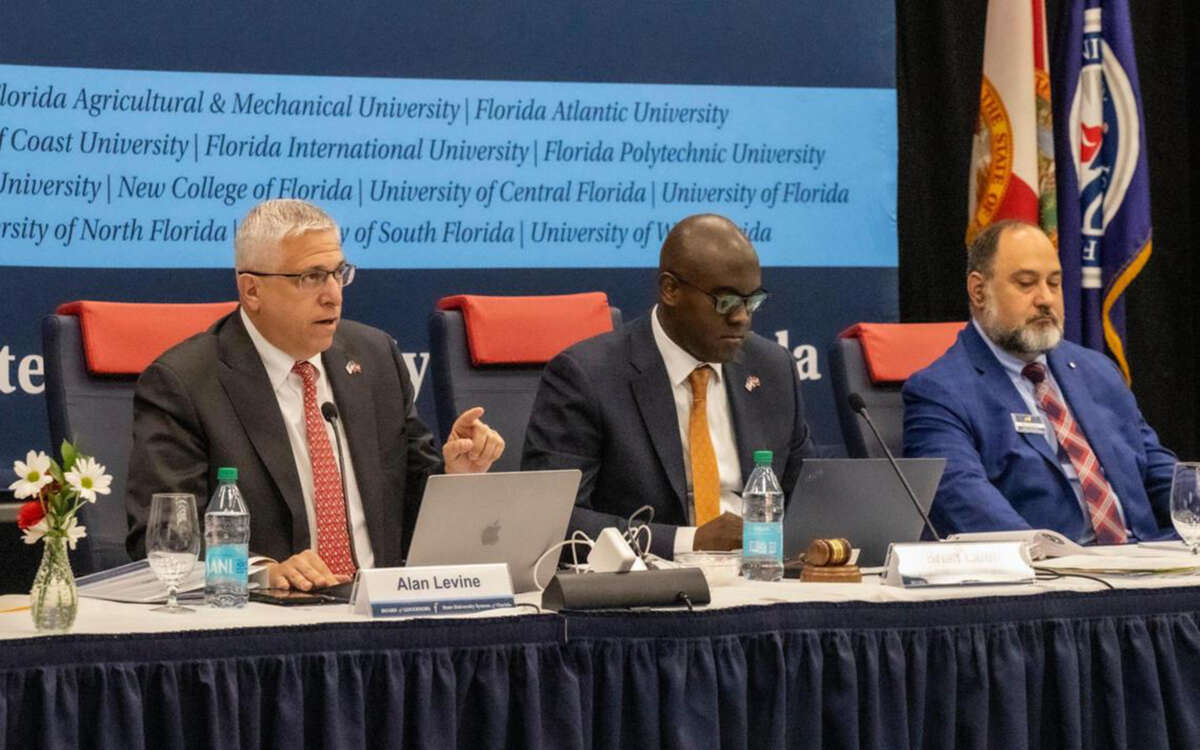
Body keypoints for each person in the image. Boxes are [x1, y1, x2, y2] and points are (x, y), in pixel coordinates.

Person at [126, 199, 504, 589]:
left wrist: (455, 478)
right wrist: (259, 572)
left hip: (385, 615)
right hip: (268, 624)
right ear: (252, 291)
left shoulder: (374, 358)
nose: (333, 295)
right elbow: (162, 540)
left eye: (338, 273)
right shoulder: (185, 383)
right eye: (310, 277)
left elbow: (410, 503)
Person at [521, 213, 815, 559]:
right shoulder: (588, 376)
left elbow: (809, 497)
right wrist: (688, 542)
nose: (742, 318)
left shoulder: (773, 368)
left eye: (752, 301)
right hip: (648, 587)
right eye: (726, 302)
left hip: (761, 575)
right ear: (670, 290)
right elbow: (554, 521)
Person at [903, 219, 1176, 542]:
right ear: (979, 291)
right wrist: (1058, 560)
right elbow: (968, 506)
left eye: (1055, 283)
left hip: (1148, 564)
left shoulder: (1098, 372)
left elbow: (1161, 476)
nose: (1045, 299)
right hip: (1053, 575)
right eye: (1026, 283)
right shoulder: (939, 393)